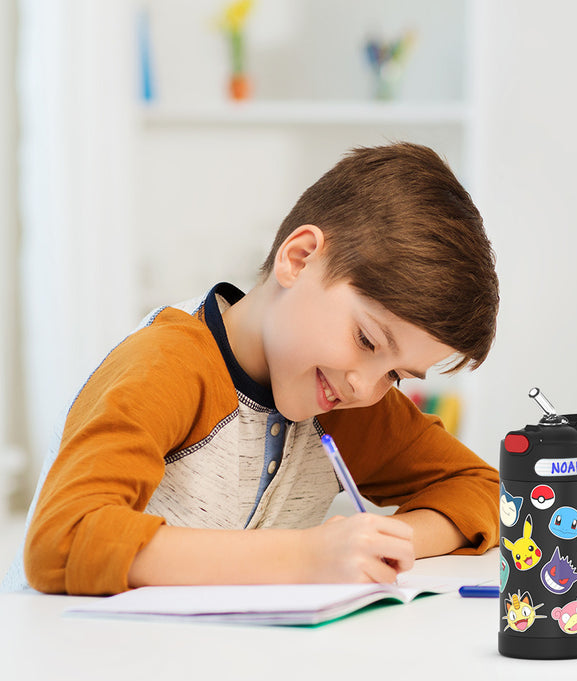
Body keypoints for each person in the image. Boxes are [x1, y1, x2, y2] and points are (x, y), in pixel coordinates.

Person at [3, 142, 500, 596]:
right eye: (367, 340)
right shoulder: (166, 365)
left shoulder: (344, 398)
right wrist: (307, 557)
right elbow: (61, 538)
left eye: (397, 375)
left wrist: (381, 543)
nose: (366, 386)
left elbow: (487, 489)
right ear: (300, 259)